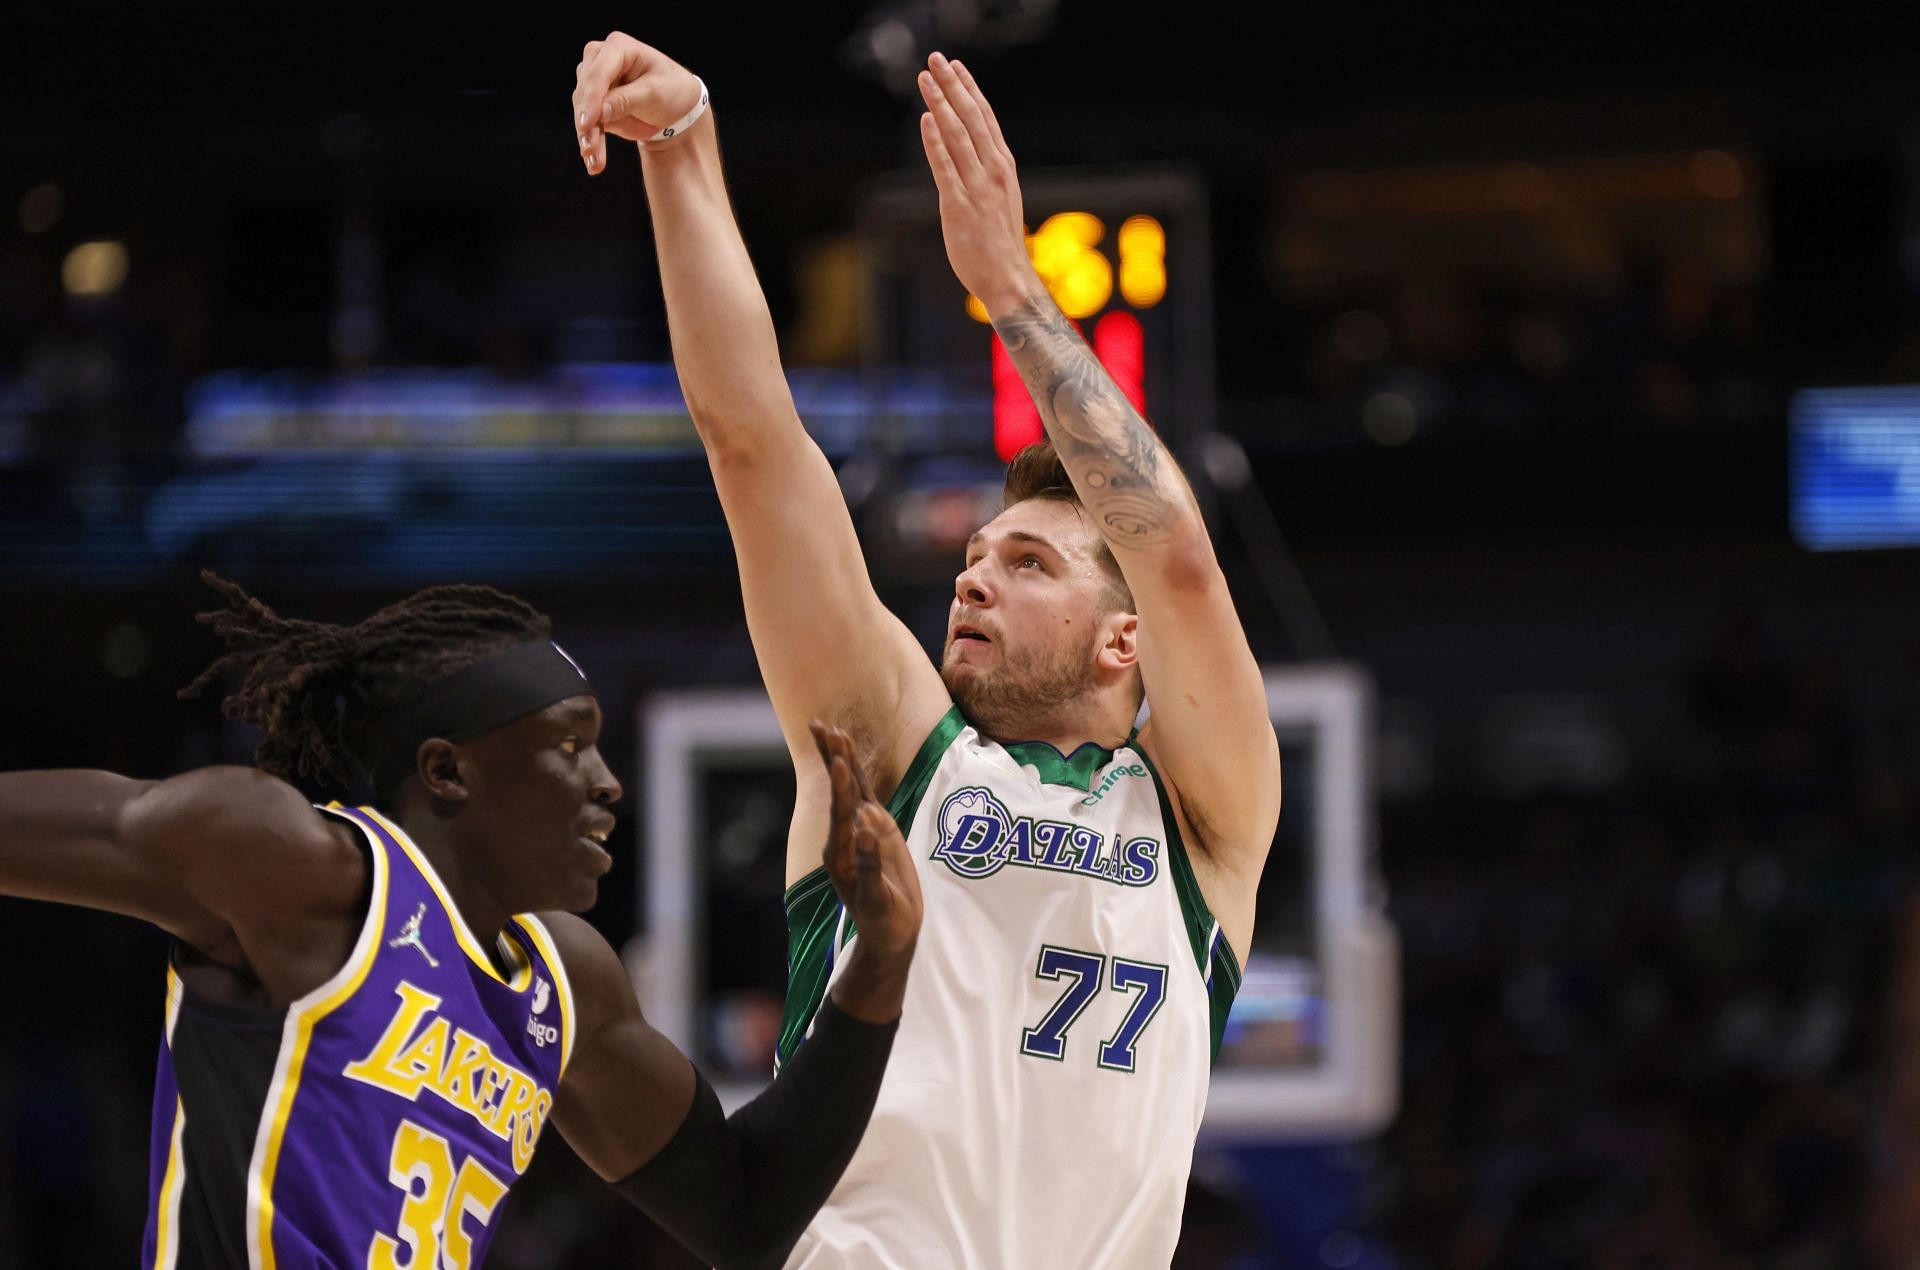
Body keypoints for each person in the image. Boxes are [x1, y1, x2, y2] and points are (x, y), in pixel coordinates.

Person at [575, 35, 1281, 1267]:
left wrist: (1012, 291)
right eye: (975, 556)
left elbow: (1173, 554)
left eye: (1030, 562)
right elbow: (752, 444)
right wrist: (683, 148)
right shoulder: (901, 741)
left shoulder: (1202, 823)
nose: (975, 574)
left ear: (1127, 640)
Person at [0, 572, 922, 1270]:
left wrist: (878, 965)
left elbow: (746, 1214)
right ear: (448, 774)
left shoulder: (569, 985)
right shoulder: (300, 869)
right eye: (569, 745)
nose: (609, 781)